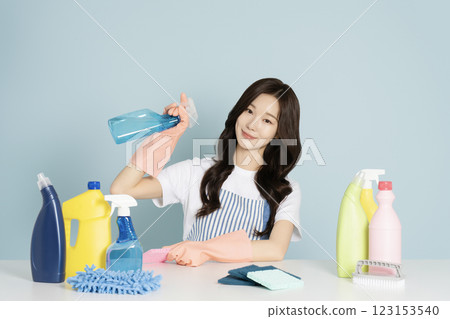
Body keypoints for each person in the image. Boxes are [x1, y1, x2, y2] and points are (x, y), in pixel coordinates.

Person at [110, 78, 302, 266]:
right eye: (249, 111)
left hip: (247, 294)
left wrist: (204, 249)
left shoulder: (285, 190)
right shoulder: (196, 172)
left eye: (267, 120)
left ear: (278, 132)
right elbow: (122, 188)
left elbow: (275, 249)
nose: (252, 124)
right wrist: (165, 136)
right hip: (194, 291)